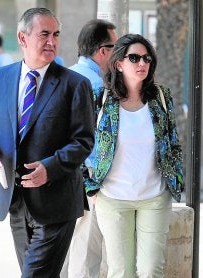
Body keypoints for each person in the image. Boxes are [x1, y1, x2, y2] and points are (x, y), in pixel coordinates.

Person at [0, 7, 95, 277]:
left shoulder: (75, 84)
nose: (52, 41)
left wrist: (49, 169)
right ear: (22, 38)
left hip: (57, 203)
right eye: (44, 34)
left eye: (56, 34)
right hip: (15, 201)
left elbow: (84, 141)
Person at [83, 33, 184, 278]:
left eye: (147, 58)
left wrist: (176, 179)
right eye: (135, 58)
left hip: (154, 197)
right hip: (113, 197)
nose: (142, 63)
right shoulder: (101, 99)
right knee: (121, 271)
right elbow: (83, 144)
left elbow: (173, 142)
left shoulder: (161, 97)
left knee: (151, 270)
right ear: (118, 63)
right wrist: (90, 186)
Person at [60, 19, 117, 278]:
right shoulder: (96, 86)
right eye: (115, 47)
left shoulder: (62, 77)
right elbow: (95, 138)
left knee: (59, 251)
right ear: (102, 50)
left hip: (58, 175)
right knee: (86, 253)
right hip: (87, 180)